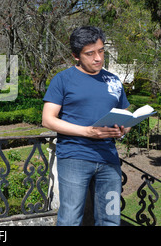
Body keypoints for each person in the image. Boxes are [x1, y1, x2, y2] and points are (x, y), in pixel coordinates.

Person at [42, 26, 131, 226]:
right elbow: (48, 119)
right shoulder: (63, 79)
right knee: (71, 219)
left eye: (101, 51)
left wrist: (123, 128)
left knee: (111, 217)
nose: (98, 58)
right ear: (76, 55)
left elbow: (125, 113)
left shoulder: (113, 80)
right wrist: (88, 132)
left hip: (109, 159)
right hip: (75, 157)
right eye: (90, 53)